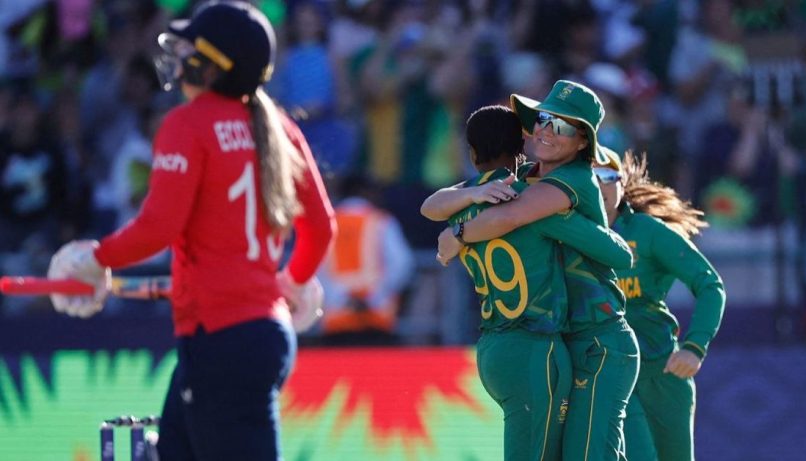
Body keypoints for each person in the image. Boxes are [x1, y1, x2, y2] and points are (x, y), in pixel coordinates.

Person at [45, 3, 337, 460]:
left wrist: (95, 258)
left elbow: (158, 227)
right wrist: (292, 282)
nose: (176, 60)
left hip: (220, 339)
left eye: (186, 50)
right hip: (258, 335)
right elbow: (319, 229)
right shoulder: (281, 129)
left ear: (211, 64)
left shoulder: (187, 124)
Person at [434, 81, 640, 461]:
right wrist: (466, 200)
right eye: (544, 119)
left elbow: (511, 216)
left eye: (562, 126)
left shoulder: (573, 178)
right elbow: (434, 203)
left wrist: (457, 233)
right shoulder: (528, 174)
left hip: (599, 339)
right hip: (562, 339)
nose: (546, 130)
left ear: (582, 143)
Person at [595, 149, 726, 461]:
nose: (601, 185)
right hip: (608, 373)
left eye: (609, 176)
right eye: (592, 177)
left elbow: (710, 284)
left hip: (662, 371)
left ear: (621, 182)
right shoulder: (568, 233)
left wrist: (695, 346)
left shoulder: (646, 231)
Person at [318, 172, 414, 346]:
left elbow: (316, 269)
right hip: (375, 318)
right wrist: (375, 296)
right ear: (366, 192)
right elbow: (402, 264)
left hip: (337, 321)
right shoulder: (381, 221)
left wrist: (339, 298)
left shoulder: (327, 224)